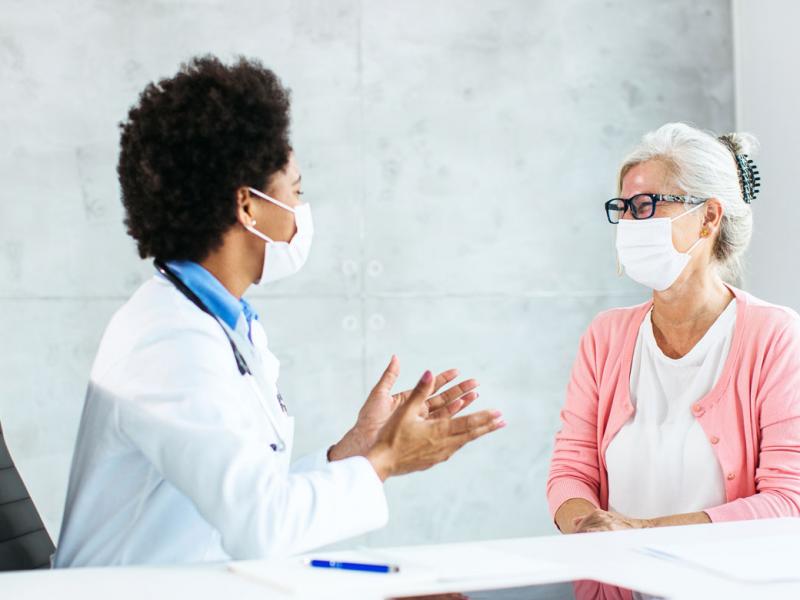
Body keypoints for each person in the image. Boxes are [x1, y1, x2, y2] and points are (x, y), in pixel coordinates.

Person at [54, 56, 505, 567]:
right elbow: (261, 527)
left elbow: (254, 496)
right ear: (247, 206)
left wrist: (359, 448)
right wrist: (387, 459)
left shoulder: (219, 324)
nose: (301, 210)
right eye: (295, 191)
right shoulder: (168, 341)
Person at [548, 122, 800, 534]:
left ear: (709, 217)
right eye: (624, 208)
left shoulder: (774, 336)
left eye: (647, 205)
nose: (630, 222)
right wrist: (587, 527)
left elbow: (789, 499)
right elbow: (571, 470)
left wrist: (642, 532)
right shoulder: (605, 336)